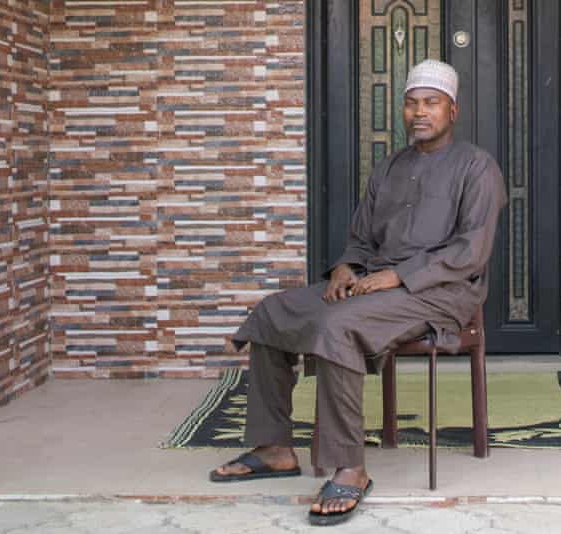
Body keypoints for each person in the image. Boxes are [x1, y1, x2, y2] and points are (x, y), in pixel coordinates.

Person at [210, 59, 507, 526]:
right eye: (411, 104)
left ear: (453, 109)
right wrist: (344, 270)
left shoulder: (477, 167)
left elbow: (471, 251)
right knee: (273, 311)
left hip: (441, 291)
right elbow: (362, 239)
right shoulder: (389, 168)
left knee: (336, 324)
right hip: (374, 285)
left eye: (431, 103)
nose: (419, 113)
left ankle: (351, 467)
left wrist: (398, 276)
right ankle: (275, 448)